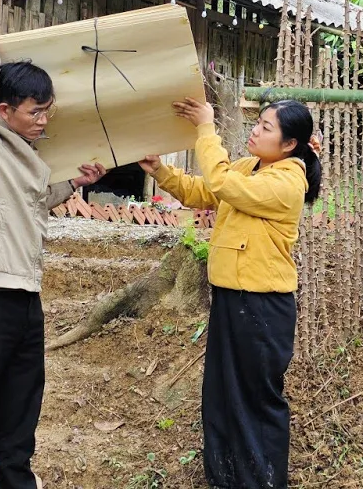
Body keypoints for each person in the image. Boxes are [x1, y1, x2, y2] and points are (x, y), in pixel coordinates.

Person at [0, 30, 107, 489]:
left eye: (48, 110)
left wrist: (74, 184)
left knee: (20, 418)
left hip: (26, 300)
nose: (44, 120)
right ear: (5, 110)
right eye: (36, 111)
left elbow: (31, 203)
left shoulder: (26, 155)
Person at [139, 98, 322, 489]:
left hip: (262, 307)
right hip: (230, 299)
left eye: (267, 128)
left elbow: (223, 183)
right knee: (222, 394)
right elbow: (201, 191)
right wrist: (160, 171)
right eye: (259, 123)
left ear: (290, 145)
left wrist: (206, 128)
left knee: (256, 399)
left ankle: (263, 481)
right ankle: (225, 478)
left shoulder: (286, 181)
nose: (255, 131)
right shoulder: (250, 168)